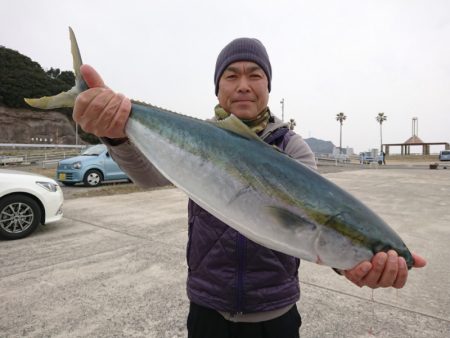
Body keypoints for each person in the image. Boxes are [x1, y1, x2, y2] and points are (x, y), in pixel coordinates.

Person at [73, 38, 426, 338]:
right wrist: (117, 132)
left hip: (275, 313)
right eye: (231, 75)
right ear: (218, 88)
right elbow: (149, 176)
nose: (243, 84)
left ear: (268, 87)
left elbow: (310, 216)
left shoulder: (292, 148)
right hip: (207, 308)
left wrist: (351, 261)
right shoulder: (198, 135)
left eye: (255, 75)